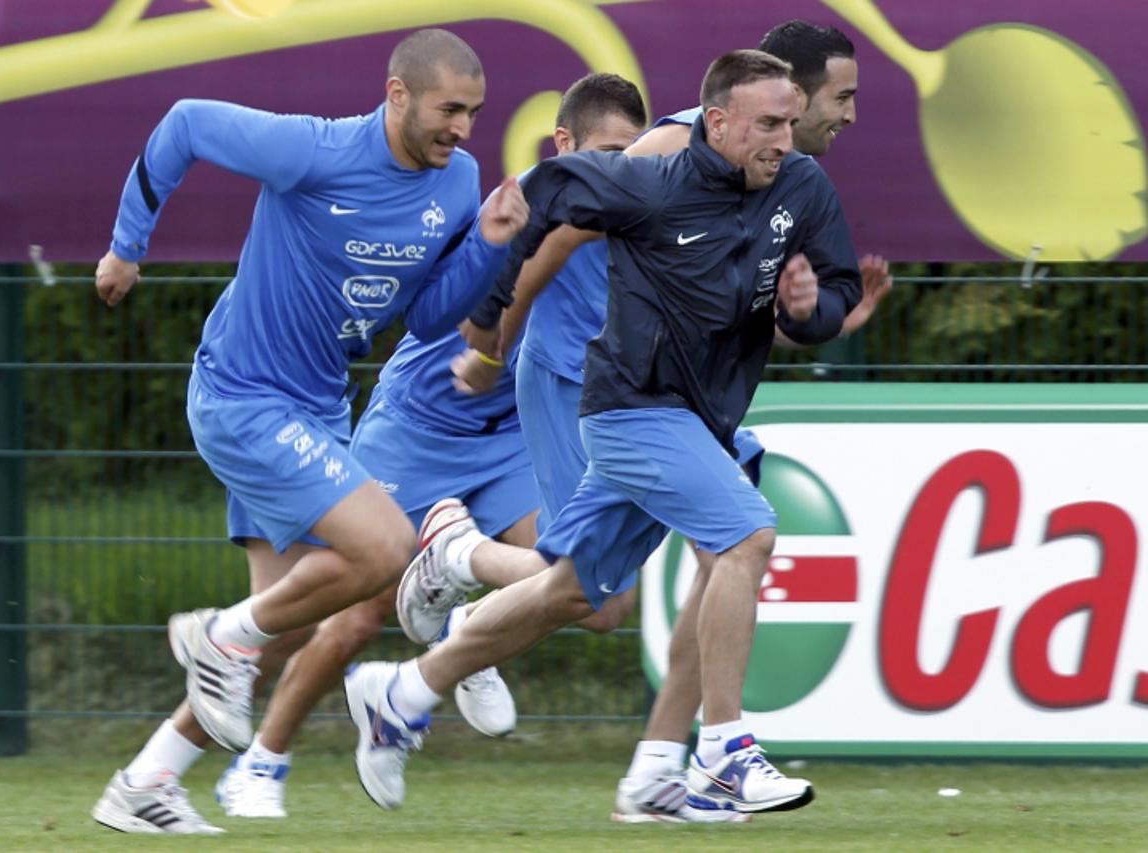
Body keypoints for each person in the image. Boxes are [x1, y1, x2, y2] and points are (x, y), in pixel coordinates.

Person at [348, 49, 862, 816]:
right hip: (627, 409)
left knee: (579, 592)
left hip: (696, 415)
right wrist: (487, 330)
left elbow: (833, 294)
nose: (791, 135)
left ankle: (405, 686)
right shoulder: (653, 173)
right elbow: (544, 203)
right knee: (744, 536)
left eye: (792, 121)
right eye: (772, 122)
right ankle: (722, 749)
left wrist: (805, 308)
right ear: (715, 121)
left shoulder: (799, 187)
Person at [88, 28, 528, 834]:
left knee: (285, 625)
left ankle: (147, 781)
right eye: (448, 109)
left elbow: (430, 316)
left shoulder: (458, 182)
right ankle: (216, 636)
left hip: (318, 409)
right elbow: (184, 121)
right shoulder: (314, 151)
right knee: (384, 549)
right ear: (397, 95)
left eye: (473, 113)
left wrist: (491, 244)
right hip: (242, 395)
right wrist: (126, 248)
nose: (463, 129)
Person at [213, 70, 652, 819]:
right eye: (607, 152)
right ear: (564, 145)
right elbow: (478, 318)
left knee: (600, 598)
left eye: (633, 156)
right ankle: (261, 760)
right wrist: (486, 347)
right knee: (354, 611)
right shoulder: (529, 209)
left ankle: (452, 616)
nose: (620, 170)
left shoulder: (630, 226)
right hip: (416, 426)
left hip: (510, 435)